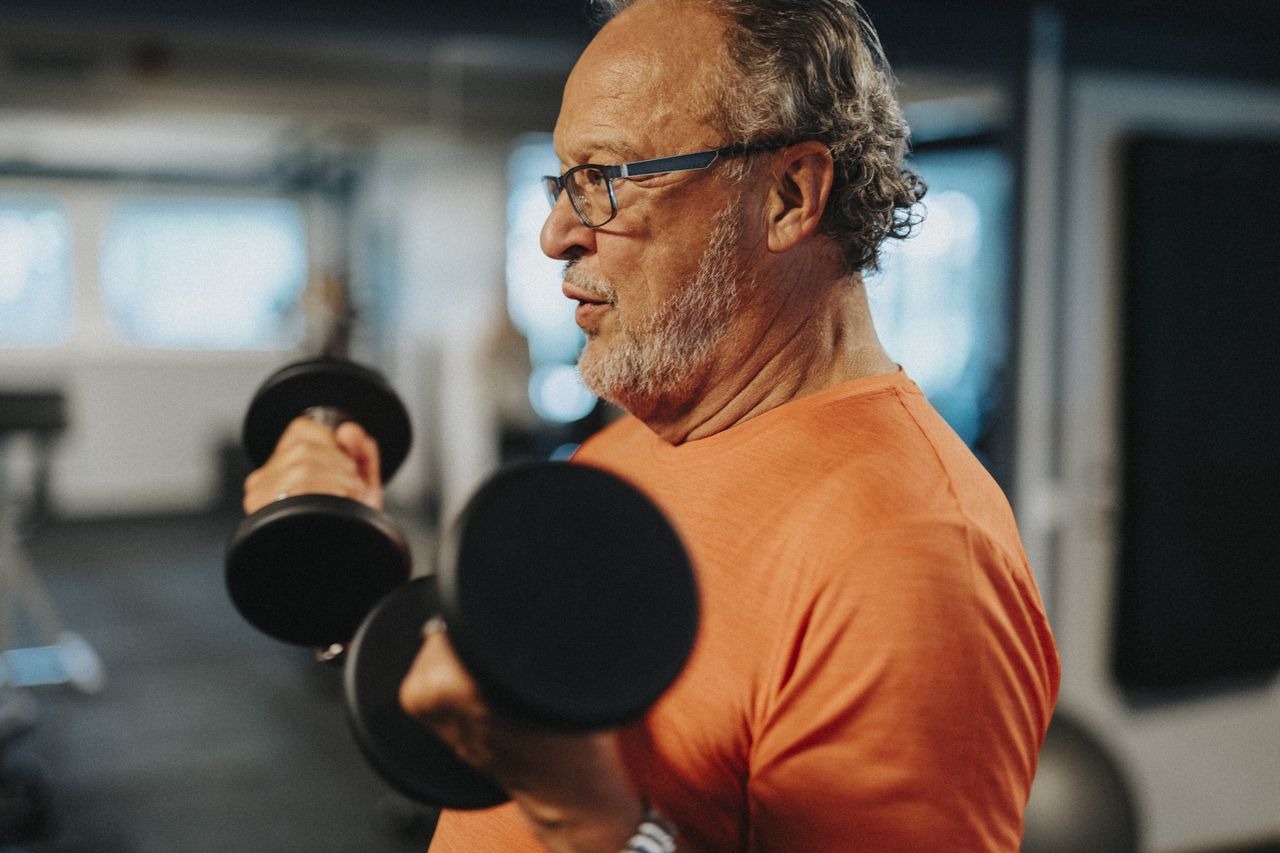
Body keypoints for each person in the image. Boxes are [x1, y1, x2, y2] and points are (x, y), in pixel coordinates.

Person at [244, 0, 1060, 850]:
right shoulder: (633, 440)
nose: (556, 232)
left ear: (787, 194)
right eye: (563, 181)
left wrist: (588, 818)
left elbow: (568, 783)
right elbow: (516, 712)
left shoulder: (913, 554)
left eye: (605, 178)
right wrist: (343, 571)